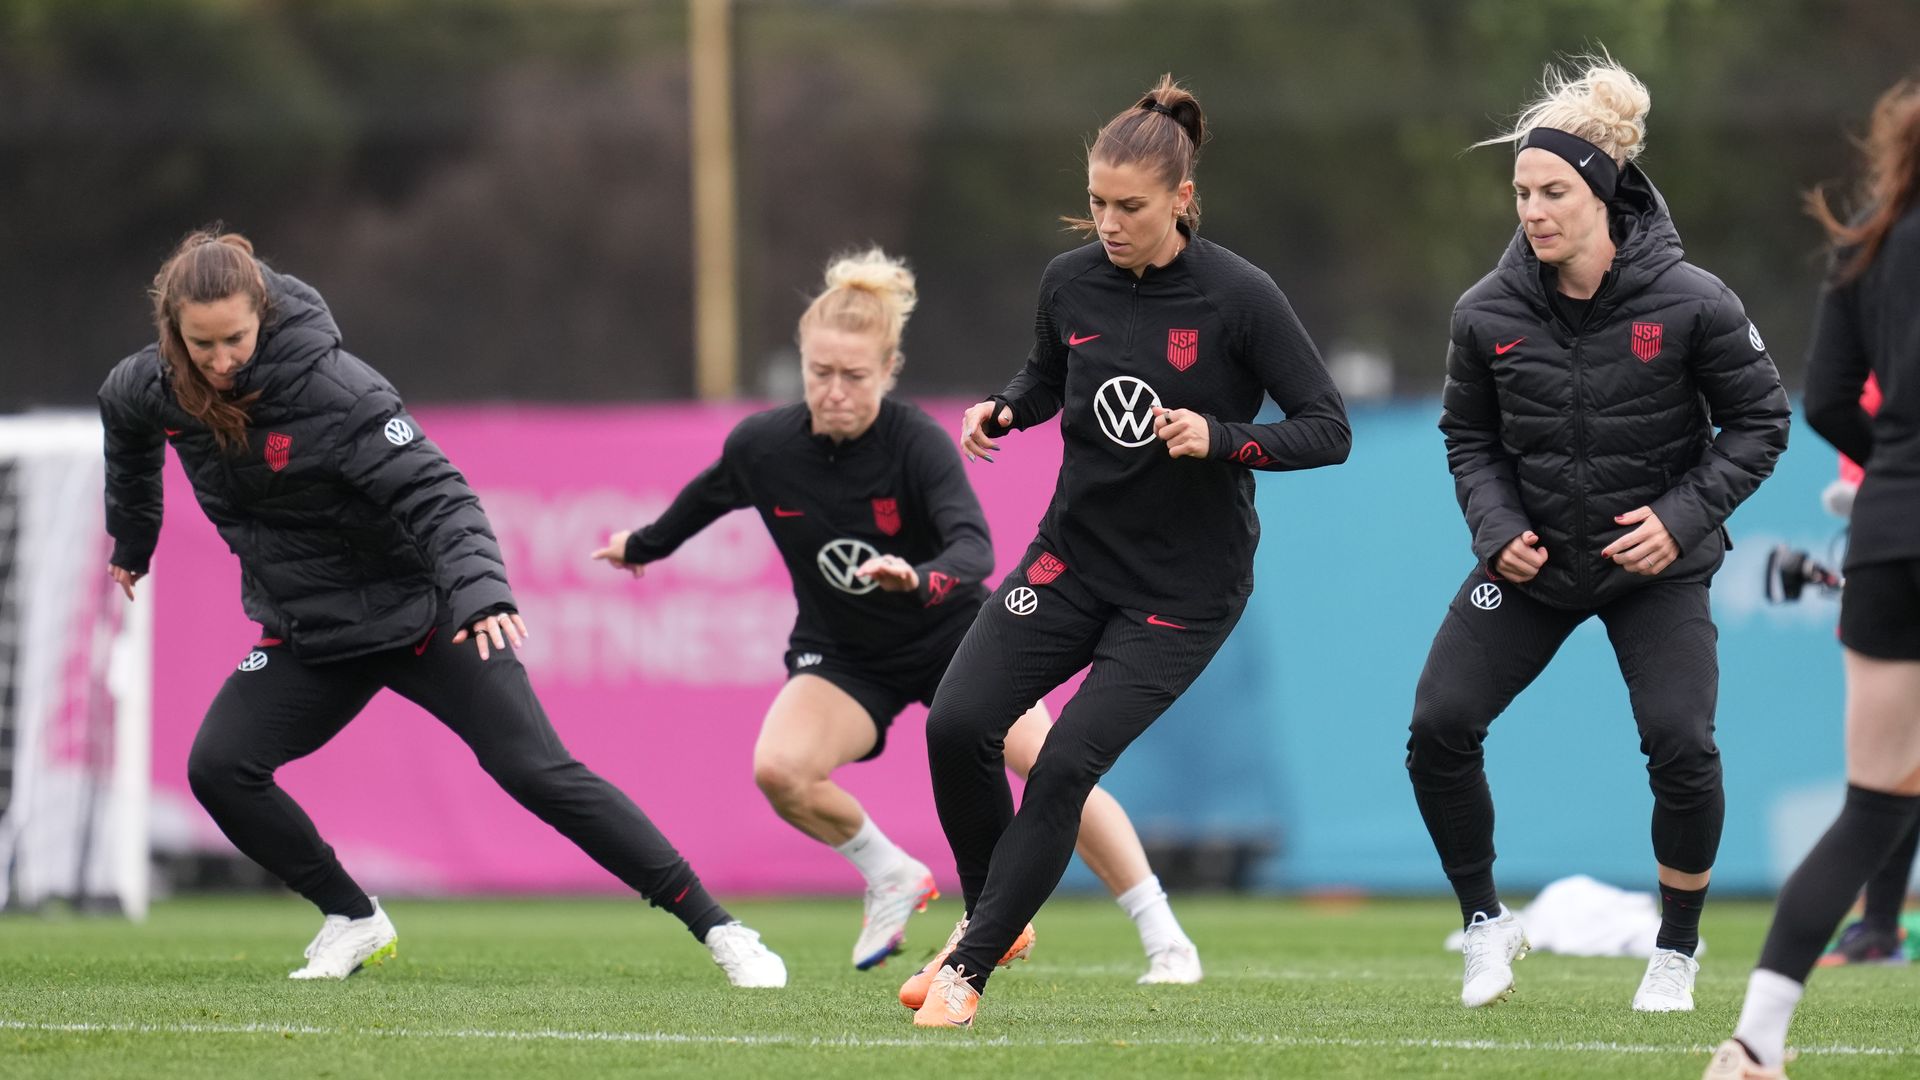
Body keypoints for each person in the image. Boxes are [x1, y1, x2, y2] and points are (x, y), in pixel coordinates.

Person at [99, 229, 786, 988]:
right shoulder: (157, 384)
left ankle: (721, 929)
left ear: (261, 313)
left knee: (536, 771)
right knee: (220, 767)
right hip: (313, 629)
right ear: (174, 333)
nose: (222, 360)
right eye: (203, 345)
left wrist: (481, 592)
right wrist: (135, 537)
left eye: (235, 339)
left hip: (422, 615)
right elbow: (123, 424)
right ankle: (353, 917)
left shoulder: (339, 391)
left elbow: (441, 495)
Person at [589, 247, 1204, 982]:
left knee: (1052, 767)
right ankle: (891, 874)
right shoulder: (764, 446)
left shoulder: (914, 444)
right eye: (821, 373)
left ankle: (1165, 937)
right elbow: (708, 496)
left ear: (888, 370)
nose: (836, 391)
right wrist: (643, 546)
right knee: (780, 770)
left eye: (855, 376)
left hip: (953, 638)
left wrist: (918, 576)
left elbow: (974, 548)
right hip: (846, 654)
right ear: (802, 365)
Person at [905, 75, 1352, 1028]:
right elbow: (1046, 371)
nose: (1109, 223)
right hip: (1071, 561)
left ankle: (967, 970)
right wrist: (1007, 410)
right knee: (955, 724)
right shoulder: (1069, 281)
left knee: (1064, 764)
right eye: (1099, 203)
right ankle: (997, 917)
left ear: (1182, 201)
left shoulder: (1241, 297)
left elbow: (1327, 427)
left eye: (1130, 207)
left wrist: (1226, 438)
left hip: (1184, 594)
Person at [1402, 55, 1790, 1013]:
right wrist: (1497, 530)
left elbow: (1761, 422)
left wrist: (1681, 520)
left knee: (1682, 745)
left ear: (1605, 194)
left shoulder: (1695, 299)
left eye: (1555, 192)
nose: (1533, 211)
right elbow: (1469, 438)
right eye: (1523, 192)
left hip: (1652, 568)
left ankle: (1678, 953)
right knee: (1437, 728)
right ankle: (1487, 927)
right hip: (1530, 567)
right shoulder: (1484, 312)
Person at [1708, 78, 1920, 1079]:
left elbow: (1829, 399)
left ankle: (1754, 1044)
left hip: (1888, 534)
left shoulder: (1866, 245)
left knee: (1873, 807)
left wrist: (1898, 469)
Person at [1813, 376, 1920, 970]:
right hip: (1892, 565)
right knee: (1896, 767)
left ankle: (1879, 926)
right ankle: (1879, 925)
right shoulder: (1872, 370)